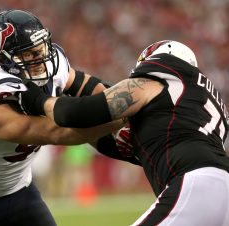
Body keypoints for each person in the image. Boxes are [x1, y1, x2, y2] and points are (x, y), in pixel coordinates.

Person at [0, 9, 122, 226]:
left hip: (18, 191)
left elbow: (84, 85)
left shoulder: (47, 65)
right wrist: (121, 116)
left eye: (40, 48)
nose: (40, 58)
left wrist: (121, 99)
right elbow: (58, 131)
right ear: (5, 59)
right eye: (29, 53)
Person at [18, 40, 229, 225]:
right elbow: (113, 139)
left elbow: (82, 112)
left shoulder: (160, 79)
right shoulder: (189, 107)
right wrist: (71, 82)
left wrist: (39, 99)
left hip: (198, 185)